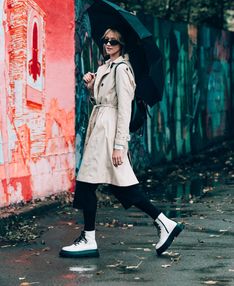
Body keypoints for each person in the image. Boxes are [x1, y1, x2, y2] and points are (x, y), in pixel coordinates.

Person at [60, 28, 183, 258]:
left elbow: (124, 110)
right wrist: (90, 86)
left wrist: (120, 145)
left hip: (108, 134)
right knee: (122, 187)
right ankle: (165, 222)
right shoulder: (105, 67)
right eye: (105, 39)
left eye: (113, 41)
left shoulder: (122, 70)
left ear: (122, 44)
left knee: (88, 183)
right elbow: (100, 101)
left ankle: (89, 239)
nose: (107, 44)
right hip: (100, 129)